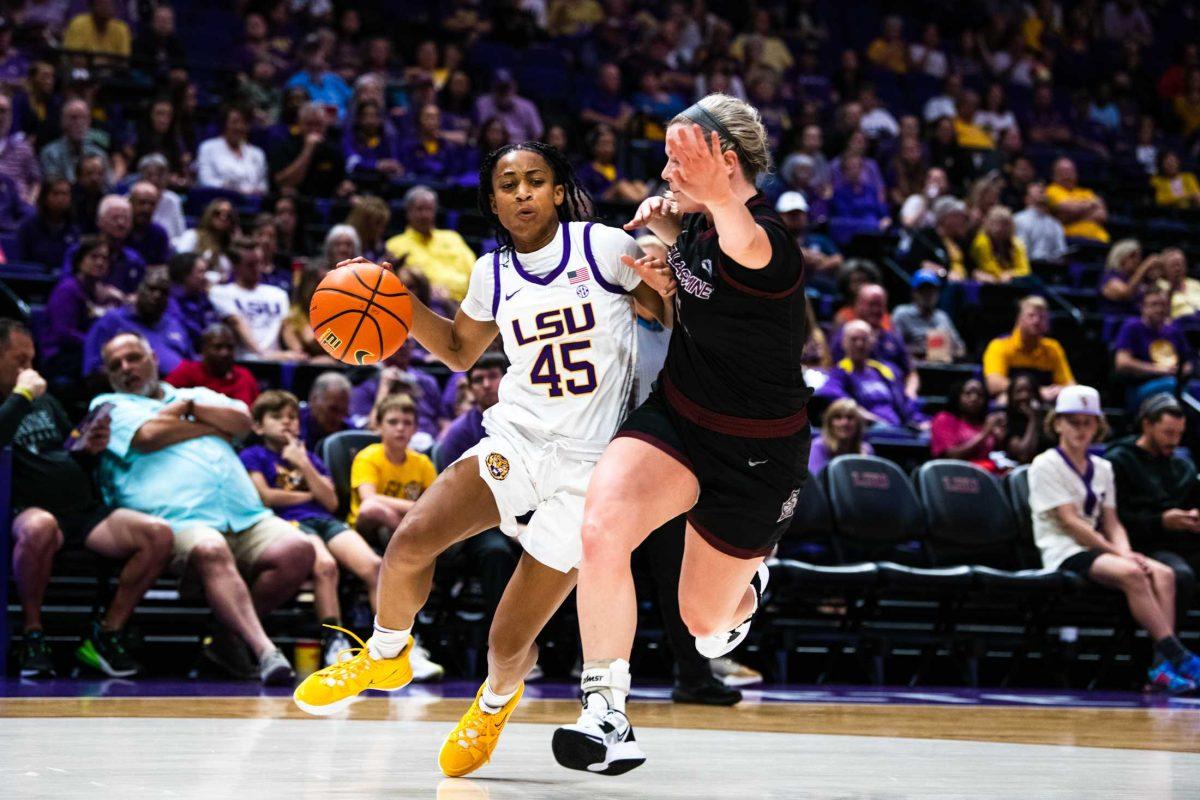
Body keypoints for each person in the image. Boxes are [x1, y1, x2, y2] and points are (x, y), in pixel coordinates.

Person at [292, 138, 667, 781]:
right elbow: (463, 352)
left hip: (591, 468)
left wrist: (664, 268)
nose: (521, 192)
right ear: (492, 201)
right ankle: (386, 652)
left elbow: (663, 318)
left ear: (556, 190)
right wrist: (397, 302)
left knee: (507, 641)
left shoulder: (604, 247)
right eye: (507, 183)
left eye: (534, 180)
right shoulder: (492, 273)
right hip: (517, 442)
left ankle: (493, 706)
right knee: (411, 539)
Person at [530, 94, 814, 773]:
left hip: (758, 455)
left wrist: (707, 204)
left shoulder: (769, 244)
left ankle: (747, 591)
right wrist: (661, 253)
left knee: (705, 627)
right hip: (680, 418)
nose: (665, 170)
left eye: (680, 157)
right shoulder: (690, 229)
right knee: (601, 529)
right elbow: (700, 296)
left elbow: (740, 247)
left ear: (729, 163)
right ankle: (606, 714)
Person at [93, 332, 313, 685]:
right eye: (115, 364)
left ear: (152, 356)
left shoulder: (191, 396)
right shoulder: (109, 405)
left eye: (133, 358)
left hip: (244, 515)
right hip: (178, 521)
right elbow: (145, 436)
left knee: (298, 550)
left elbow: (241, 421)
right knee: (211, 548)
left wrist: (190, 409)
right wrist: (208, 427)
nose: (127, 368)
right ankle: (265, 651)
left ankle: (228, 640)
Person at [1, 320, 173, 678]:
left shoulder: (44, 400)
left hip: (82, 510)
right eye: (20, 361)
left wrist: (89, 447)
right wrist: (21, 396)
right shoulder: (25, 396)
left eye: (31, 360)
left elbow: (68, 449)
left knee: (157, 534)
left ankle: (106, 633)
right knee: (39, 527)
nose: (29, 370)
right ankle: (33, 634)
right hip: (29, 510)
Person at [1029, 385, 1200, 693]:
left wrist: (1124, 550)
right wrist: (1120, 555)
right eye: (1073, 422)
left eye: (1088, 422)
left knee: (1164, 574)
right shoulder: (1046, 463)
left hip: (1100, 548)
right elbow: (1070, 522)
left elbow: (1113, 521)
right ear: (1057, 423)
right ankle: (1179, 656)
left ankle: (1159, 667)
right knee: (1134, 573)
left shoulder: (1103, 467)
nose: (1081, 430)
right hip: (1063, 549)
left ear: (1098, 426)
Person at [242, 390, 383, 667]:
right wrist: (310, 495)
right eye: (277, 417)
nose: (287, 422)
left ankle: (390, 647)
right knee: (325, 567)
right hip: (288, 523)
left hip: (325, 521)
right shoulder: (253, 455)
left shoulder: (309, 457)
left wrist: (303, 463)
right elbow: (267, 498)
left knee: (375, 566)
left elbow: (330, 502)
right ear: (258, 426)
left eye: (292, 417)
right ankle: (335, 640)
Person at [1106, 394, 1200, 605]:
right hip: (1142, 545)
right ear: (1147, 424)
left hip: (1184, 543)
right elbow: (1113, 520)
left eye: (1179, 434)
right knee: (1180, 576)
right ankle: (1167, 636)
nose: (1174, 441)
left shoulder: (1182, 467)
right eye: (1168, 433)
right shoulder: (1118, 462)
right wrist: (1160, 522)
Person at [42, 235, 123, 378]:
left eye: (104, 258)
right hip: (61, 356)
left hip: (86, 352)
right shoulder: (67, 289)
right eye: (94, 257)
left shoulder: (101, 292)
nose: (100, 262)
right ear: (80, 260)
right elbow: (64, 334)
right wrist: (99, 345)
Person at [82, 270, 190, 375]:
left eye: (164, 292)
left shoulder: (174, 325)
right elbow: (93, 369)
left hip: (180, 389)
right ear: (138, 290)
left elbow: (191, 363)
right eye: (151, 289)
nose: (157, 295)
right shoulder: (113, 321)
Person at [209, 239, 303, 360]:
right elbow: (237, 323)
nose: (256, 268)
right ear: (236, 267)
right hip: (245, 359)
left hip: (277, 359)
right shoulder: (221, 292)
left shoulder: (278, 294)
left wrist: (298, 353)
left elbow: (286, 328)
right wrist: (263, 354)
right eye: (250, 265)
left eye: (259, 263)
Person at [820, 320, 923, 430]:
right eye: (854, 339)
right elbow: (834, 396)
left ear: (872, 342)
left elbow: (904, 403)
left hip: (899, 428)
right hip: (868, 430)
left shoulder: (885, 371)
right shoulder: (839, 372)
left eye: (864, 339)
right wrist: (869, 418)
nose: (859, 344)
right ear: (844, 342)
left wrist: (919, 422)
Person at [384, 185, 476, 303]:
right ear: (408, 211)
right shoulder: (394, 245)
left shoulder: (453, 238)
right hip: (427, 305)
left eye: (429, 209)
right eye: (420, 209)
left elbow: (474, 272)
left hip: (467, 303)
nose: (425, 215)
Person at [831, 284, 917, 397]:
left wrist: (910, 393)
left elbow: (911, 373)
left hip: (896, 396)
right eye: (872, 305)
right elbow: (836, 369)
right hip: (861, 395)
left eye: (880, 305)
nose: (876, 310)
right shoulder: (847, 335)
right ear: (858, 305)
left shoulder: (893, 337)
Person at [982, 295, 1075, 401]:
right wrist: (1037, 392)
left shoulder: (1053, 348)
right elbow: (994, 384)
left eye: (1042, 317)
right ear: (1019, 319)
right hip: (1013, 403)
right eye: (1031, 316)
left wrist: (1060, 390)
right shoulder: (1000, 345)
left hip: (1045, 404)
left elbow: (1070, 385)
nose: (1036, 321)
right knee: (1004, 398)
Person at [1112, 287, 1193, 409]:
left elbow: (1188, 363)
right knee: (1170, 385)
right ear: (1143, 307)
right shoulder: (1132, 327)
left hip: (1175, 381)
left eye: (1163, 305)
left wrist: (1181, 370)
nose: (1159, 309)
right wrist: (1159, 370)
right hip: (1140, 387)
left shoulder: (1174, 330)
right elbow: (1122, 363)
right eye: (1154, 304)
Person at [268, 103, 353, 199]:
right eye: (309, 124)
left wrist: (345, 187)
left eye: (318, 124)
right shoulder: (284, 146)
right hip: (293, 201)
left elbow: (342, 180)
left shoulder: (333, 149)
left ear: (325, 125)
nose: (314, 129)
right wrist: (308, 150)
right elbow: (283, 182)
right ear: (299, 124)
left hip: (323, 203)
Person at [165, 322, 260, 407]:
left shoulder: (245, 376)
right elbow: (162, 400)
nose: (225, 353)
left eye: (230, 347)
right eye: (218, 347)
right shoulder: (187, 372)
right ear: (203, 349)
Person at [931, 377, 1006, 468]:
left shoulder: (985, 422)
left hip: (983, 473)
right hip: (953, 474)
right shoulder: (945, 419)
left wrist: (1000, 437)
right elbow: (951, 457)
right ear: (958, 396)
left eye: (980, 394)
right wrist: (984, 434)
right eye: (968, 393)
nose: (974, 398)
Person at [891, 270, 966, 361]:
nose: (928, 294)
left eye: (931, 290)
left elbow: (961, 349)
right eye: (923, 290)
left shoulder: (942, 317)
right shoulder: (902, 313)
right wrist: (924, 350)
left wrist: (943, 350)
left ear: (938, 293)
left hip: (942, 368)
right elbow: (892, 346)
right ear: (914, 293)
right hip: (915, 368)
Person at [195, 105, 268, 195]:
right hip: (219, 200)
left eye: (244, 122)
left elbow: (263, 186)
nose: (239, 127)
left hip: (251, 202)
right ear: (224, 124)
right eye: (234, 122)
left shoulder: (257, 153)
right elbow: (205, 181)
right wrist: (230, 189)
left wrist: (256, 191)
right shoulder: (208, 148)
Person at [12, 176, 78, 271]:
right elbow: (19, 261)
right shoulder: (28, 226)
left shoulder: (73, 230)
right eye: (55, 193)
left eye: (65, 194)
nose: (61, 198)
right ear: (45, 197)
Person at [39, 99, 110, 183]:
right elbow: (55, 186)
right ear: (63, 121)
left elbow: (109, 186)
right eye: (73, 117)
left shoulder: (99, 154)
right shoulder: (50, 153)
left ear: (89, 121)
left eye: (83, 117)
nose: (78, 122)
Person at [898, 196, 970, 278]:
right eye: (956, 216)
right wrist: (944, 273)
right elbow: (920, 262)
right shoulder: (925, 236)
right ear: (944, 218)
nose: (961, 220)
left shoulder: (958, 239)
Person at [1045, 157, 1109, 243]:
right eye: (1063, 172)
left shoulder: (1086, 192)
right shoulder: (1051, 190)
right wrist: (1091, 206)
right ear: (1054, 175)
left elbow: (1102, 215)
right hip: (1071, 240)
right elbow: (1069, 208)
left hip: (1098, 239)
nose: (1067, 175)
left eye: (1070, 171)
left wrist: (1069, 219)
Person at [475, 68, 544, 142]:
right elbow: (477, 132)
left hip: (520, 149)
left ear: (514, 86)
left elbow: (538, 134)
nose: (503, 92)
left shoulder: (527, 106)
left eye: (506, 87)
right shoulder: (482, 104)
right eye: (500, 88)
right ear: (492, 87)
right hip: (492, 150)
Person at [807, 398, 873, 474]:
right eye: (838, 417)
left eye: (850, 417)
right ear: (829, 423)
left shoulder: (867, 449)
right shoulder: (819, 446)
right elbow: (816, 481)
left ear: (858, 423)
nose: (844, 423)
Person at [970, 206, 1031, 283]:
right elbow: (989, 269)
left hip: (1012, 280)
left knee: (1032, 280)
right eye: (997, 223)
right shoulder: (981, 242)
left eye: (1005, 224)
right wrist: (1006, 275)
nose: (1000, 227)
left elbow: (1025, 270)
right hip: (989, 283)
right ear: (988, 223)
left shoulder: (1016, 243)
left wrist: (1010, 274)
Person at [1004, 374, 1051, 465]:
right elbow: (1024, 455)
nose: (1025, 395)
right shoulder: (1006, 420)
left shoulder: (1047, 418)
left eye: (1029, 391)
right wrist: (1032, 420)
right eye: (1019, 391)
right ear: (1011, 395)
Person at [299, 372, 353, 450]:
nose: (338, 417)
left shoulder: (349, 432)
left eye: (343, 411)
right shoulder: (295, 426)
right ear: (313, 399)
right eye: (333, 409)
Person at [63, 0, 131, 60]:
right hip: (84, 71)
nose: (106, 6)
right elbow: (73, 58)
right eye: (102, 2)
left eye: (110, 3)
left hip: (112, 72)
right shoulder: (78, 23)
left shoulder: (121, 28)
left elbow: (123, 62)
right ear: (92, 5)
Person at [126, 181, 171, 268]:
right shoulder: (120, 230)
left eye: (152, 204)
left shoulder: (159, 233)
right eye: (142, 202)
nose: (146, 209)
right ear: (130, 202)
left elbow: (162, 267)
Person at [1161, 248, 1200, 320]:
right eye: (1173, 265)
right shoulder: (1160, 286)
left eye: (1180, 264)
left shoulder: (1196, 284)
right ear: (1164, 268)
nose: (1177, 269)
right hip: (1179, 324)